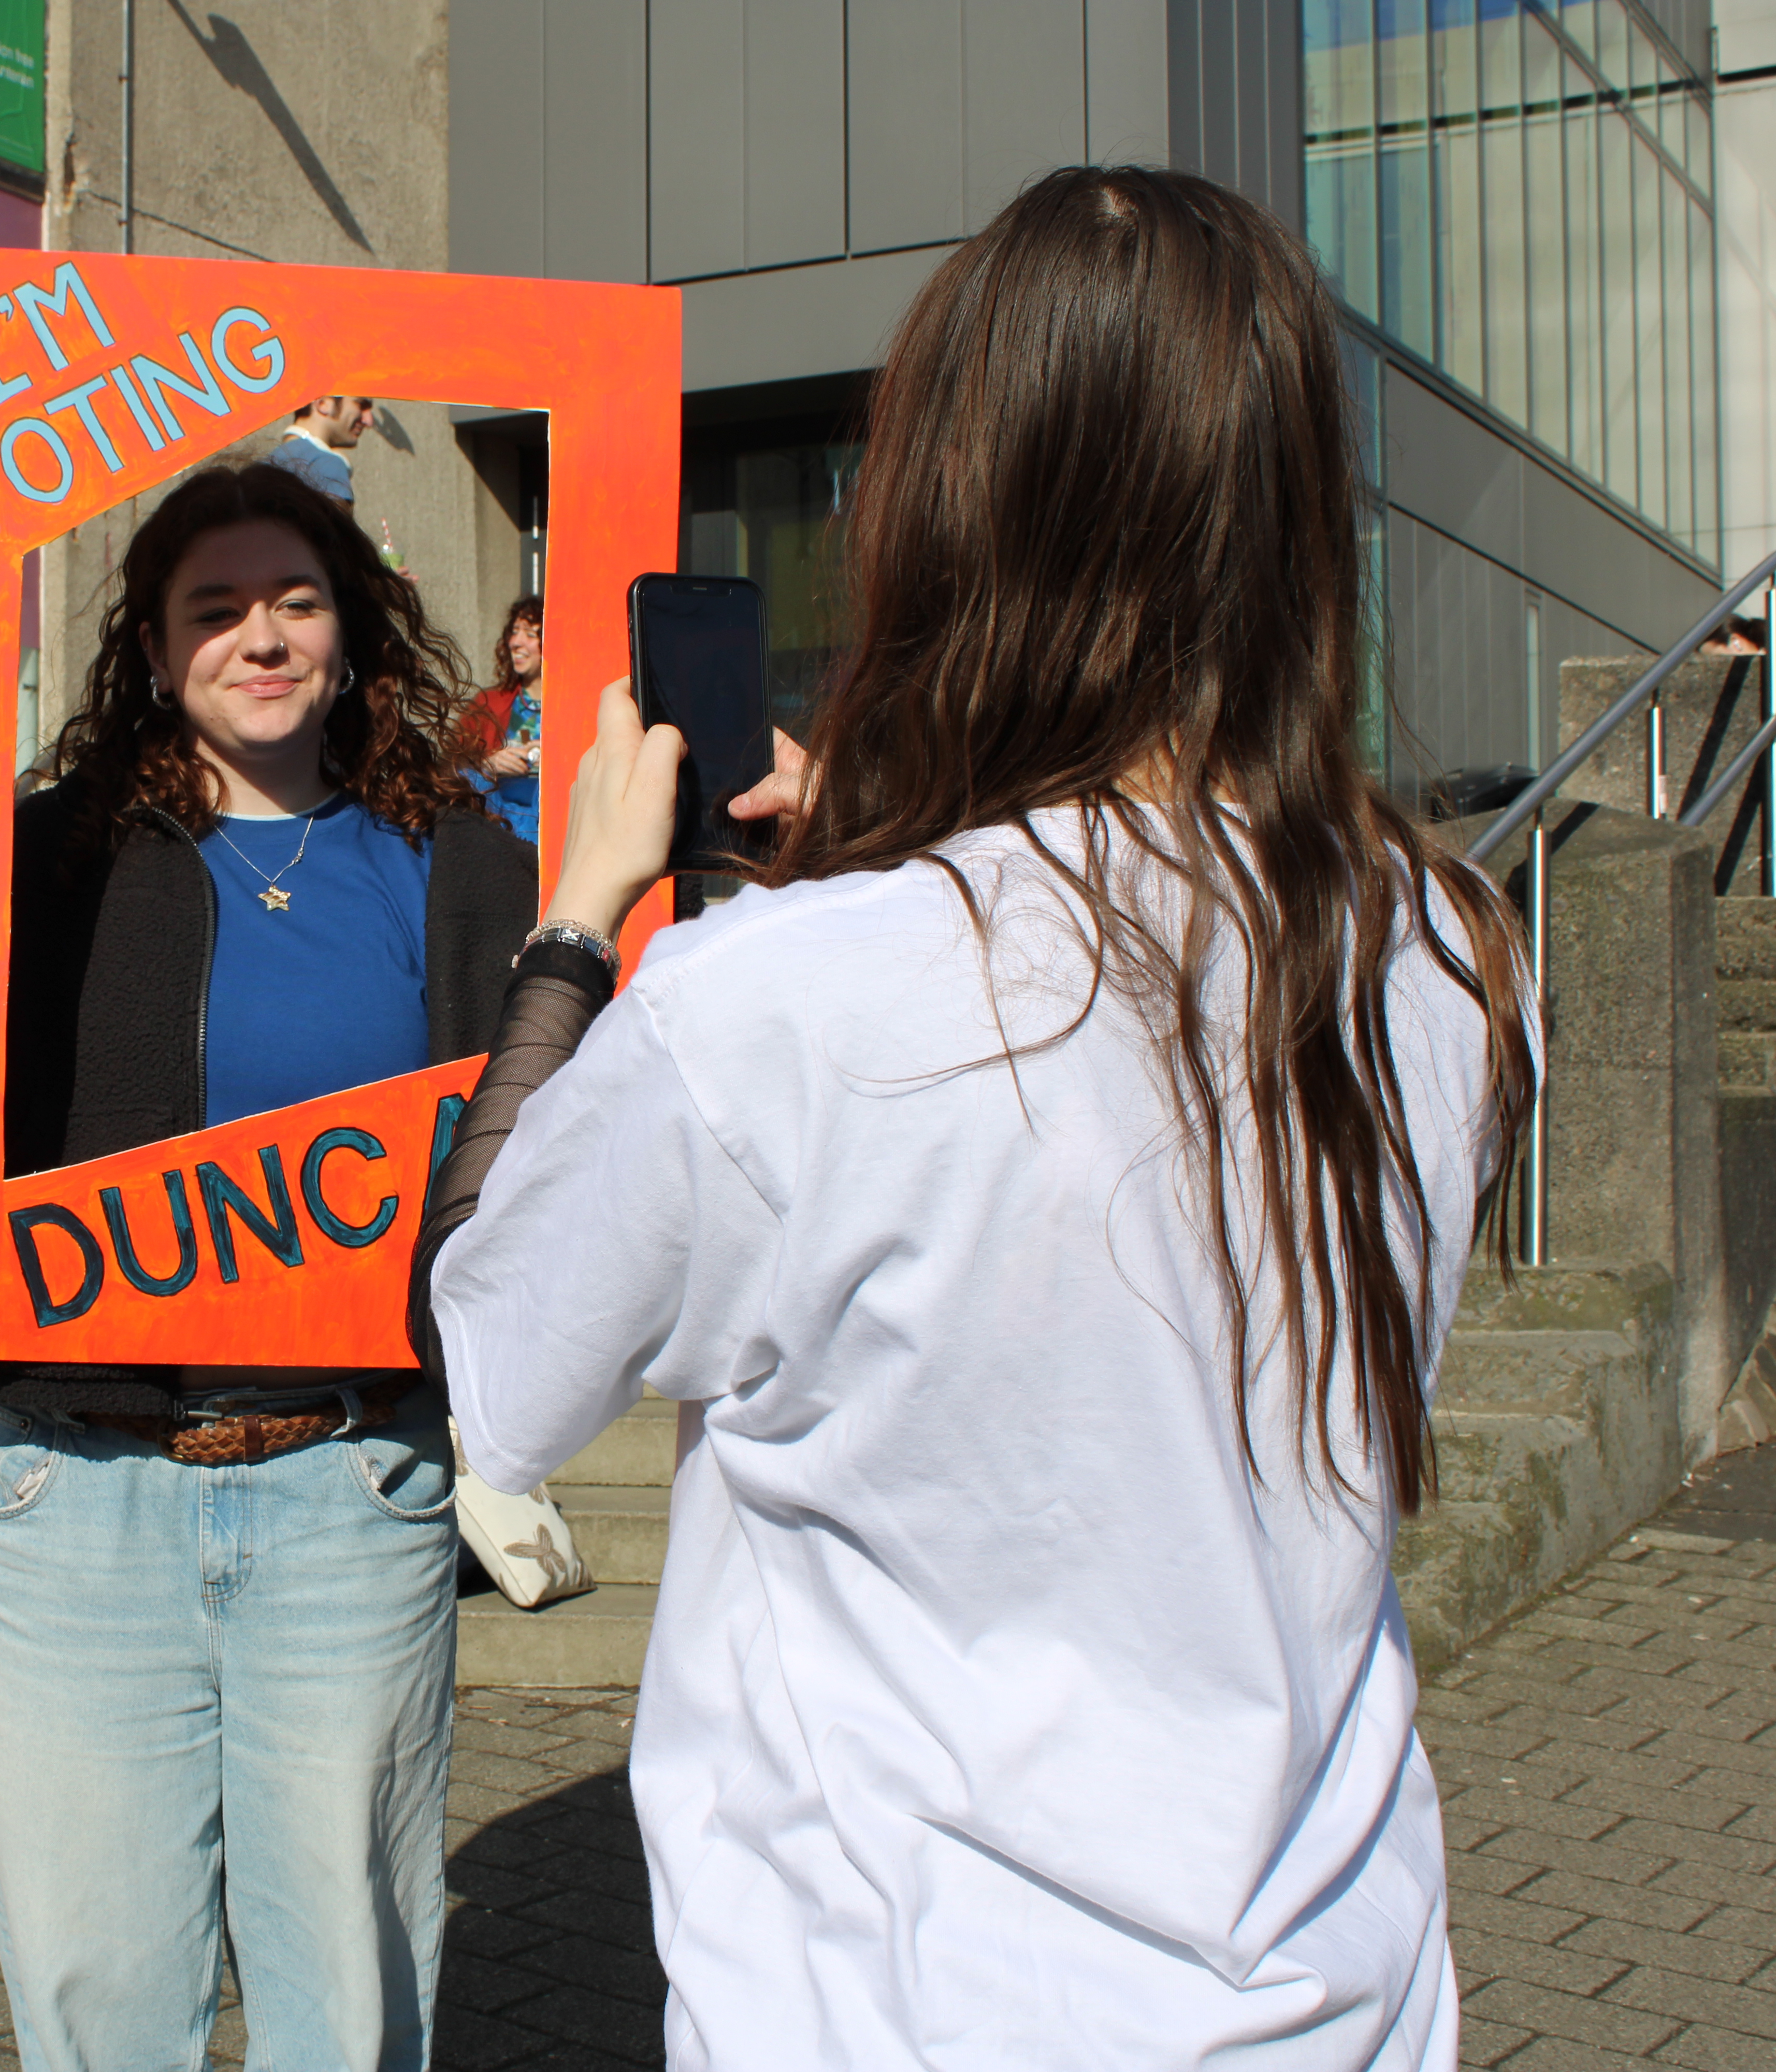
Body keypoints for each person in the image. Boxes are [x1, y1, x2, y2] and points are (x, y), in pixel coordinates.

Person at [413, 168, 1538, 2066]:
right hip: (1334, 1991)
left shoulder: (779, 1005)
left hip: (904, 2008)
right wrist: (891, 843)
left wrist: (580, 913)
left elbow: (495, 1372)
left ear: (940, 507)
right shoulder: (1436, 948)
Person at [0, 461, 535, 2071]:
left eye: (294, 600)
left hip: (347, 1484)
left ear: (349, 628)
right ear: (150, 646)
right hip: (71, 1498)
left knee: (348, 2002)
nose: (258, 637)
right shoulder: (48, 855)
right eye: (214, 609)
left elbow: (562, 1124)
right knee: (95, 2006)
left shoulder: (460, 858)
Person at [460, 593, 544, 842]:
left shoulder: (574, 707)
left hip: (550, 821)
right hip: (498, 821)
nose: (516, 643)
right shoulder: (489, 703)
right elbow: (450, 768)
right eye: (515, 632)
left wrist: (555, 758)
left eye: (530, 634)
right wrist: (489, 764)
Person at [263, 393, 374, 506]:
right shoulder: (328, 463)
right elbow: (333, 522)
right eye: (361, 405)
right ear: (323, 403)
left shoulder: (268, 464)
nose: (369, 421)